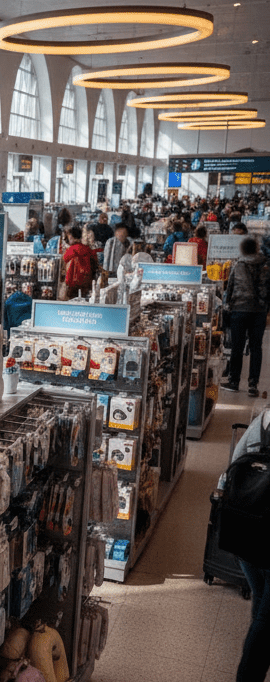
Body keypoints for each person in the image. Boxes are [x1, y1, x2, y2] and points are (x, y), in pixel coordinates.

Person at [227, 410, 270, 682]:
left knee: (261, 602)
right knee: (266, 624)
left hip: (247, 534)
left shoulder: (263, 420)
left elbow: (234, 465)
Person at [223, 237, 270, 396]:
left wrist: (228, 305)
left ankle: (234, 381)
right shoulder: (265, 266)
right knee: (256, 347)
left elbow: (229, 288)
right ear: (256, 248)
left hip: (239, 310)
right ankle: (253, 384)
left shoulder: (238, 265)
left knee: (237, 346)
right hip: (259, 311)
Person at [61, 226, 98, 299]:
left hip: (72, 283)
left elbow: (63, 260)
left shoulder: (71, 250)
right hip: (87, 283)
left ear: (71, 236)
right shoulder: (88, 249)